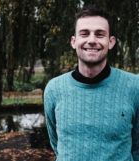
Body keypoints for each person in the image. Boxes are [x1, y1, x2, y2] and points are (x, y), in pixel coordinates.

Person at [44, 5, 139, 161]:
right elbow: (56, 143)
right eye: (84, 33)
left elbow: (137, 147)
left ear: (111, 42)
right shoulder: (54, 89)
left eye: (100, 34)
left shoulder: (134, 87)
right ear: (74, 41)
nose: (92, 40)